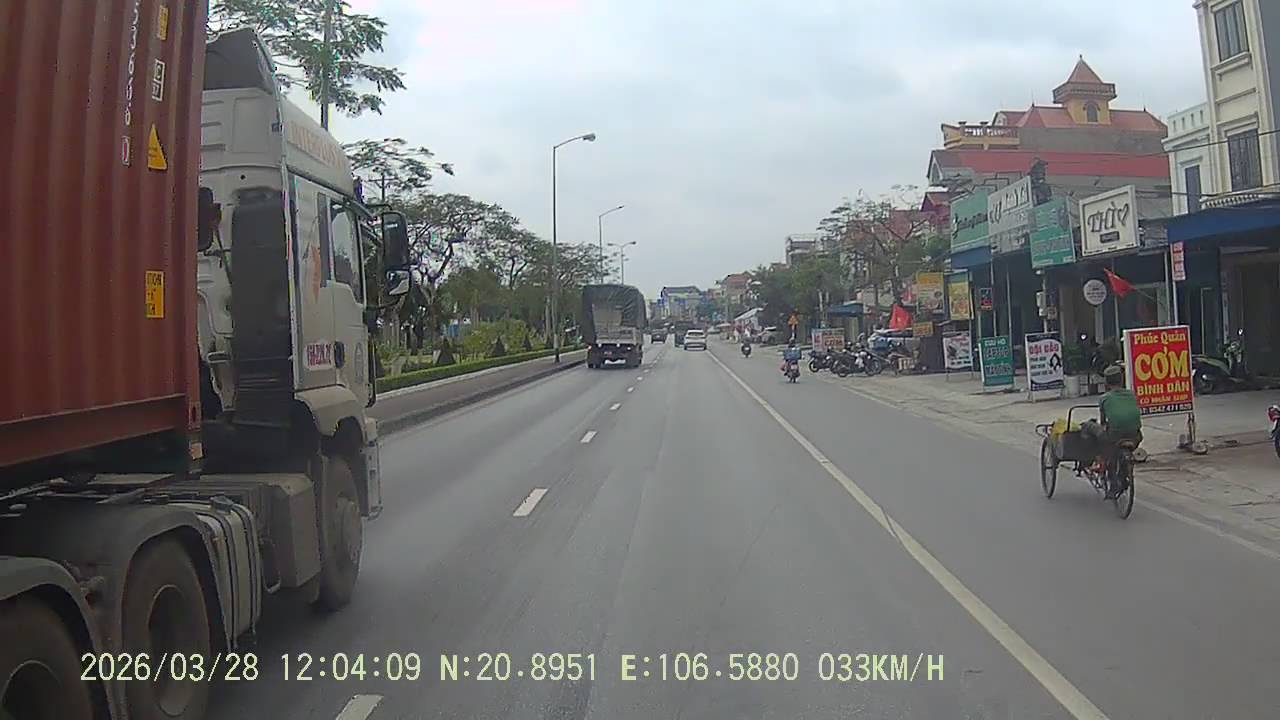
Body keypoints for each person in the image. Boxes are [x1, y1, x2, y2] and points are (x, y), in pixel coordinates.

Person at [1080, 364, 1142, 497]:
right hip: (1135, 436)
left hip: (1114, 436)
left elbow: (1103, 422)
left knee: (1088, 426)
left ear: (1106, 383)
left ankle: (1090, 460)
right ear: (1121, 379)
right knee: (1114, 449)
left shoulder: (1104, 398)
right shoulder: (1132, 394)